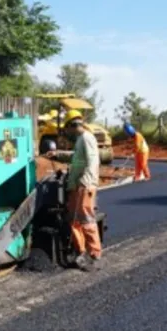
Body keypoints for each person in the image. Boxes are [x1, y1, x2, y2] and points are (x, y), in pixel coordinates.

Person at [63, 109, 102, 271]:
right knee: (74, 219)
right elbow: (77, 158)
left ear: (73, 125)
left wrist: (85, 182)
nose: (68, 132)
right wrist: (58, 154)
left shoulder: (87, 138)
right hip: (75, 186)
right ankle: (81, 251)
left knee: (86, 219)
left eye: (68, 128)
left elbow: (93, 161)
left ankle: (94, 254)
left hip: (84, 186)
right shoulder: (80, 140)